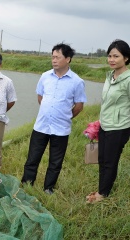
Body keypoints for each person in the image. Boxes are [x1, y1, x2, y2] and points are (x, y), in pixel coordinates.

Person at [21, 43, 87, 194]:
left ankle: (48, 188)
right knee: (32, 158)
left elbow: (79, 105)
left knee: (55, 162)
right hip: (41, 125)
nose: (54, 60)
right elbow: (40, 97)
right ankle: (26, 185)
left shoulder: (77, 81)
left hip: (61, 129)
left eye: (58, 57)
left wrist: (65, 116)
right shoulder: (45, 76)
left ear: (68, 59)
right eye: (52, 57)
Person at [86, 39, 130, 203]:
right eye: (109, 56)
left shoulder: (128, 79)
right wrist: (100, 121)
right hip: (105, 125)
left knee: (110, 161)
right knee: (102, 159)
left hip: (119, 127)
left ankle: (103, 194)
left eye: (116, 56)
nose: (111, 59)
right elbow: (107, 103)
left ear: (125, 58)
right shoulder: (110, 76)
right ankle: (102, 189)